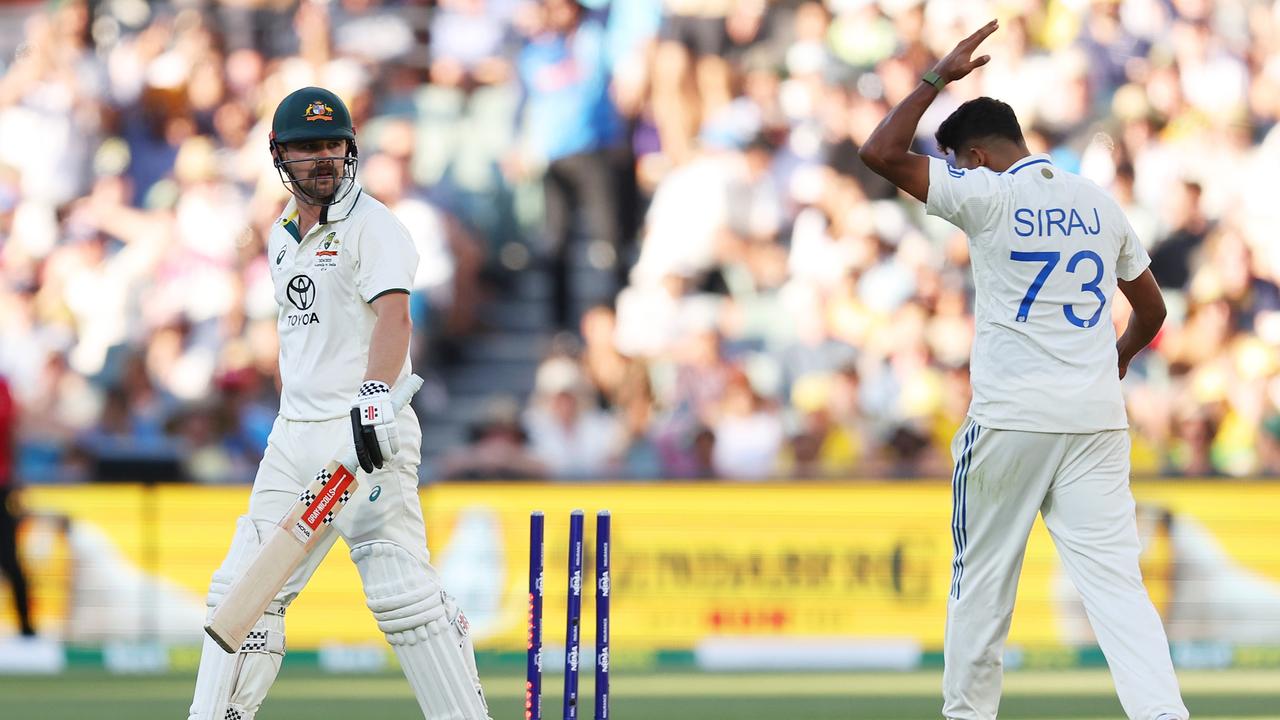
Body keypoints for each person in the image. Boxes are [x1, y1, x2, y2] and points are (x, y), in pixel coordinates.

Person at [858, 21, 1187, 720]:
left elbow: (880, 152)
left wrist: (936, 77)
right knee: (1119, 591)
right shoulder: (1099, 203)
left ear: (974, 155)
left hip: (1011, 420)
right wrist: (1118, 358)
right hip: (1095, 418)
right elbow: (1152, 312)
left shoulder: (987, 195)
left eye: (960, 162)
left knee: (981, 586)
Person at [188, 87, 491, 720]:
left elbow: (394, 318)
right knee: (241, 592)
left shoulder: (373, 225)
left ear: (349, 150)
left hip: (365, 430)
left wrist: (376, 398)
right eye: (306, 148)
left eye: (332, 145)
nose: (322, 159)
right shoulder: (277, 236)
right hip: (292, 436)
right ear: (280, 156)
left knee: (400, 594)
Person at [0, 374, 36, 638]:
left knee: (10, 560)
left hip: (1, 484)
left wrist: (16, 475)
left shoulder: (3, 385)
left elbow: (12, 432)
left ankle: (27, 631)